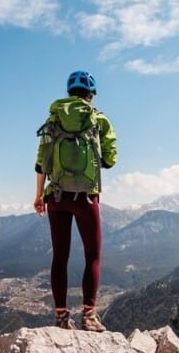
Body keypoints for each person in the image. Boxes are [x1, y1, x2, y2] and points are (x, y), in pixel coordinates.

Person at [33, 70, 117, 331]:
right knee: (93, 255)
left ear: (69, 93)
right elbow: (111, 159)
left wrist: (39, 197)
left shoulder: (53, 119)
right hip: (86, 199)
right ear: (91, 94)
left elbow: (41, 163)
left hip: (56, 197)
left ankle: (60, 317)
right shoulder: (99, 120)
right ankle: (89, 316)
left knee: (60, 256)